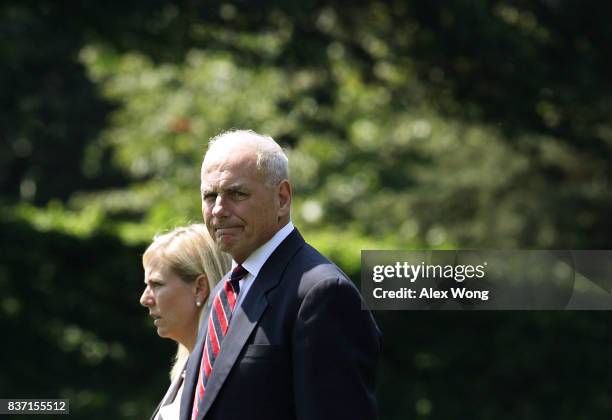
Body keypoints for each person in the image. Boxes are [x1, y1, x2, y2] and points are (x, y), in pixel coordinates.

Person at [180, 130, 382, 420]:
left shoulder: (323, 293)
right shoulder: (225, 290)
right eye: (210, 196)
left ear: (282, 198)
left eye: (237, 193)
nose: (219, 210)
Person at [140, 224, 231, 420]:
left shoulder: (227, 374)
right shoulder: (186, 369)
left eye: (156, 284)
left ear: (199, 287)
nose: (144, 299)